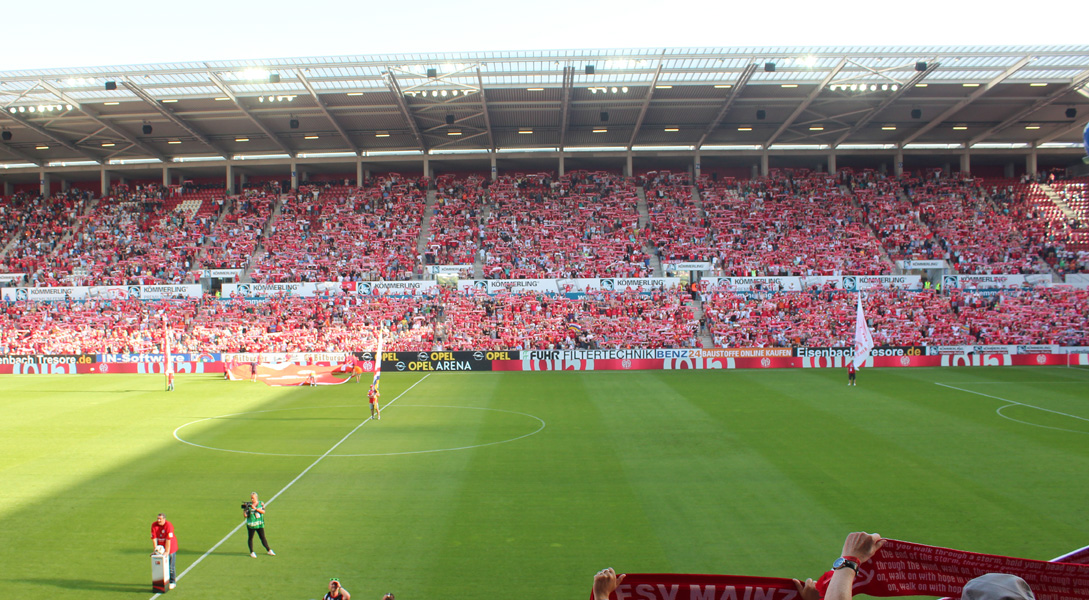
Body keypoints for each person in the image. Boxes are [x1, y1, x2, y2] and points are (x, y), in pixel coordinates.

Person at [151, 513, 178, 590]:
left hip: (171, 547)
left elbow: (168, 539)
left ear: (164, 519)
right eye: (158, 518)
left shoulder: (168, 525)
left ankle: (172, 582)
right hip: (161, 548)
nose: (158, 520)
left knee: (171, 566)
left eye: (160, 519)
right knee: (162, 566)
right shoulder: (154, 525)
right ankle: (163, 581)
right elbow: (154, 538)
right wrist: (155, 549)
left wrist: (167, 551)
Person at [244, 492, 274, 558]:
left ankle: (269, 550)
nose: (252, 499)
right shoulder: (249, 505)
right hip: (252, 524)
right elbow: (245, 515)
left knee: (262, 537)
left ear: (256, 498)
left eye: (253, 498)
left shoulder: (261, 503)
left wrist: (255, 508)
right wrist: (245, 509)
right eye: (251, 498)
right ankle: (252, 552)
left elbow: (263, 511)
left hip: (259, 523)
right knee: (251, 538)